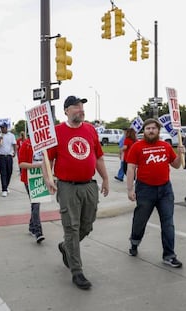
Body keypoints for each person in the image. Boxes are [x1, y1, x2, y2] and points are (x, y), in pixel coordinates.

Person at [42, 95, 109, 290]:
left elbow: (98, 157)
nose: (81, 109)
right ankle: (77, 271)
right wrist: (48, 178)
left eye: (81, 106)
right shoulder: (56, 132)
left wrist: (105, 178)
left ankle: (66, 247)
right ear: (66, 111)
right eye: (76, 106)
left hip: (89, 185)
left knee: (86, 225)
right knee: (71, 227)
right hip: (67, 186)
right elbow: (49, 160)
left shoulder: (90, 129)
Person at [126, 118, 185, 268]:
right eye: (148, 128)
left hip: (165, 190)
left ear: (158, 130)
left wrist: (179, 154)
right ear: (143, 131)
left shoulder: (165, 146)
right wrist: (130, 189)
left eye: (153, 128)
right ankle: (134, 242)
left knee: (168, 223)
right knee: (140, 220)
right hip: (145, 190)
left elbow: (176, 165)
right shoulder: (137, 147)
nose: (151, 131)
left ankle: (169, 255)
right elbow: (131, 168)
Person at [18, 137, 45, 243]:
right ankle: (38, 232)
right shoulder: (26, 144)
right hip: (29, 179)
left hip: (41, 178)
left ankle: (31, 226)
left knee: (36, 204)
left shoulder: (44, 144)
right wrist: (37, 165)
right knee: (36, 203)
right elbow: (21, 164)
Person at [0, 122, 16, 197]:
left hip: (9, 156)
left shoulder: (11, 136)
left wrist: (15, 152)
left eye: (3, 127)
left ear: (6, 128)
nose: (2, 129)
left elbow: (14, 144)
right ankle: (4, 189)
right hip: (1, 156)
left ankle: (6, 186)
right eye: (1, 128)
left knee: (9, 172)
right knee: (3, 173)